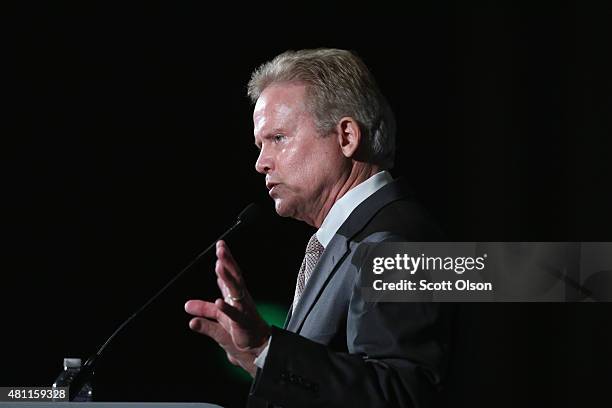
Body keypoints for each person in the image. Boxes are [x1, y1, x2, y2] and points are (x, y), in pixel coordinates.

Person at [185, 48, 451, 408]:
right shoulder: (347, 239)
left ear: (346, 137)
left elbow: (399, 395)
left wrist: (268, 349)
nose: (261, 163)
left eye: (278, 138)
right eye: (260, 145)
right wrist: (258, 358)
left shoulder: (394, 242)